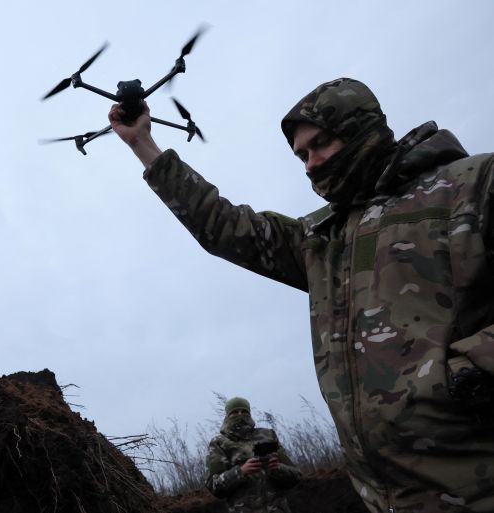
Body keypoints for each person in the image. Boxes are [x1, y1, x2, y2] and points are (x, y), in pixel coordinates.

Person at [108, 78, 494, 512]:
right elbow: (227, 228)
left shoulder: (470, 185)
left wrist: (467, 373)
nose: (312, 164)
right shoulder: (324, 238)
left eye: (321, 143)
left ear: (361, 127)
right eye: (302, 156)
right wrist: (143, 144)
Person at [205, 396, 300, 513]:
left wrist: (277, 468)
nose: (240, 415)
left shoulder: (268, 435)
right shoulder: (218, 443)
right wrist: (241, 472)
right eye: (234, 412)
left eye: (244, 411)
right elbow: (214, 487)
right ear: (227, 415)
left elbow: (296, 476)